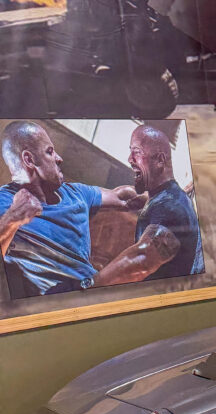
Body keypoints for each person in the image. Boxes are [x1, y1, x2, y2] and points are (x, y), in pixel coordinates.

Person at [0, 121, 180, 298]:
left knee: (156, 249)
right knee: (145, 253)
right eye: (50, 151)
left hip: (90, 288)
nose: (59, 158)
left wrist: (163, 198)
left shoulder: (76, 193)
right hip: (55, 299)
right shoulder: (4, 201)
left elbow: (124, 197)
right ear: (29, 159)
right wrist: (12, 218)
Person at [128, 124, 204, 280]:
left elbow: (140, 259)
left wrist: (95, 283)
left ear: (160, 160)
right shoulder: (168, 198)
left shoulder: (169, 206)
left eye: (136, 152)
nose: (130, 159)